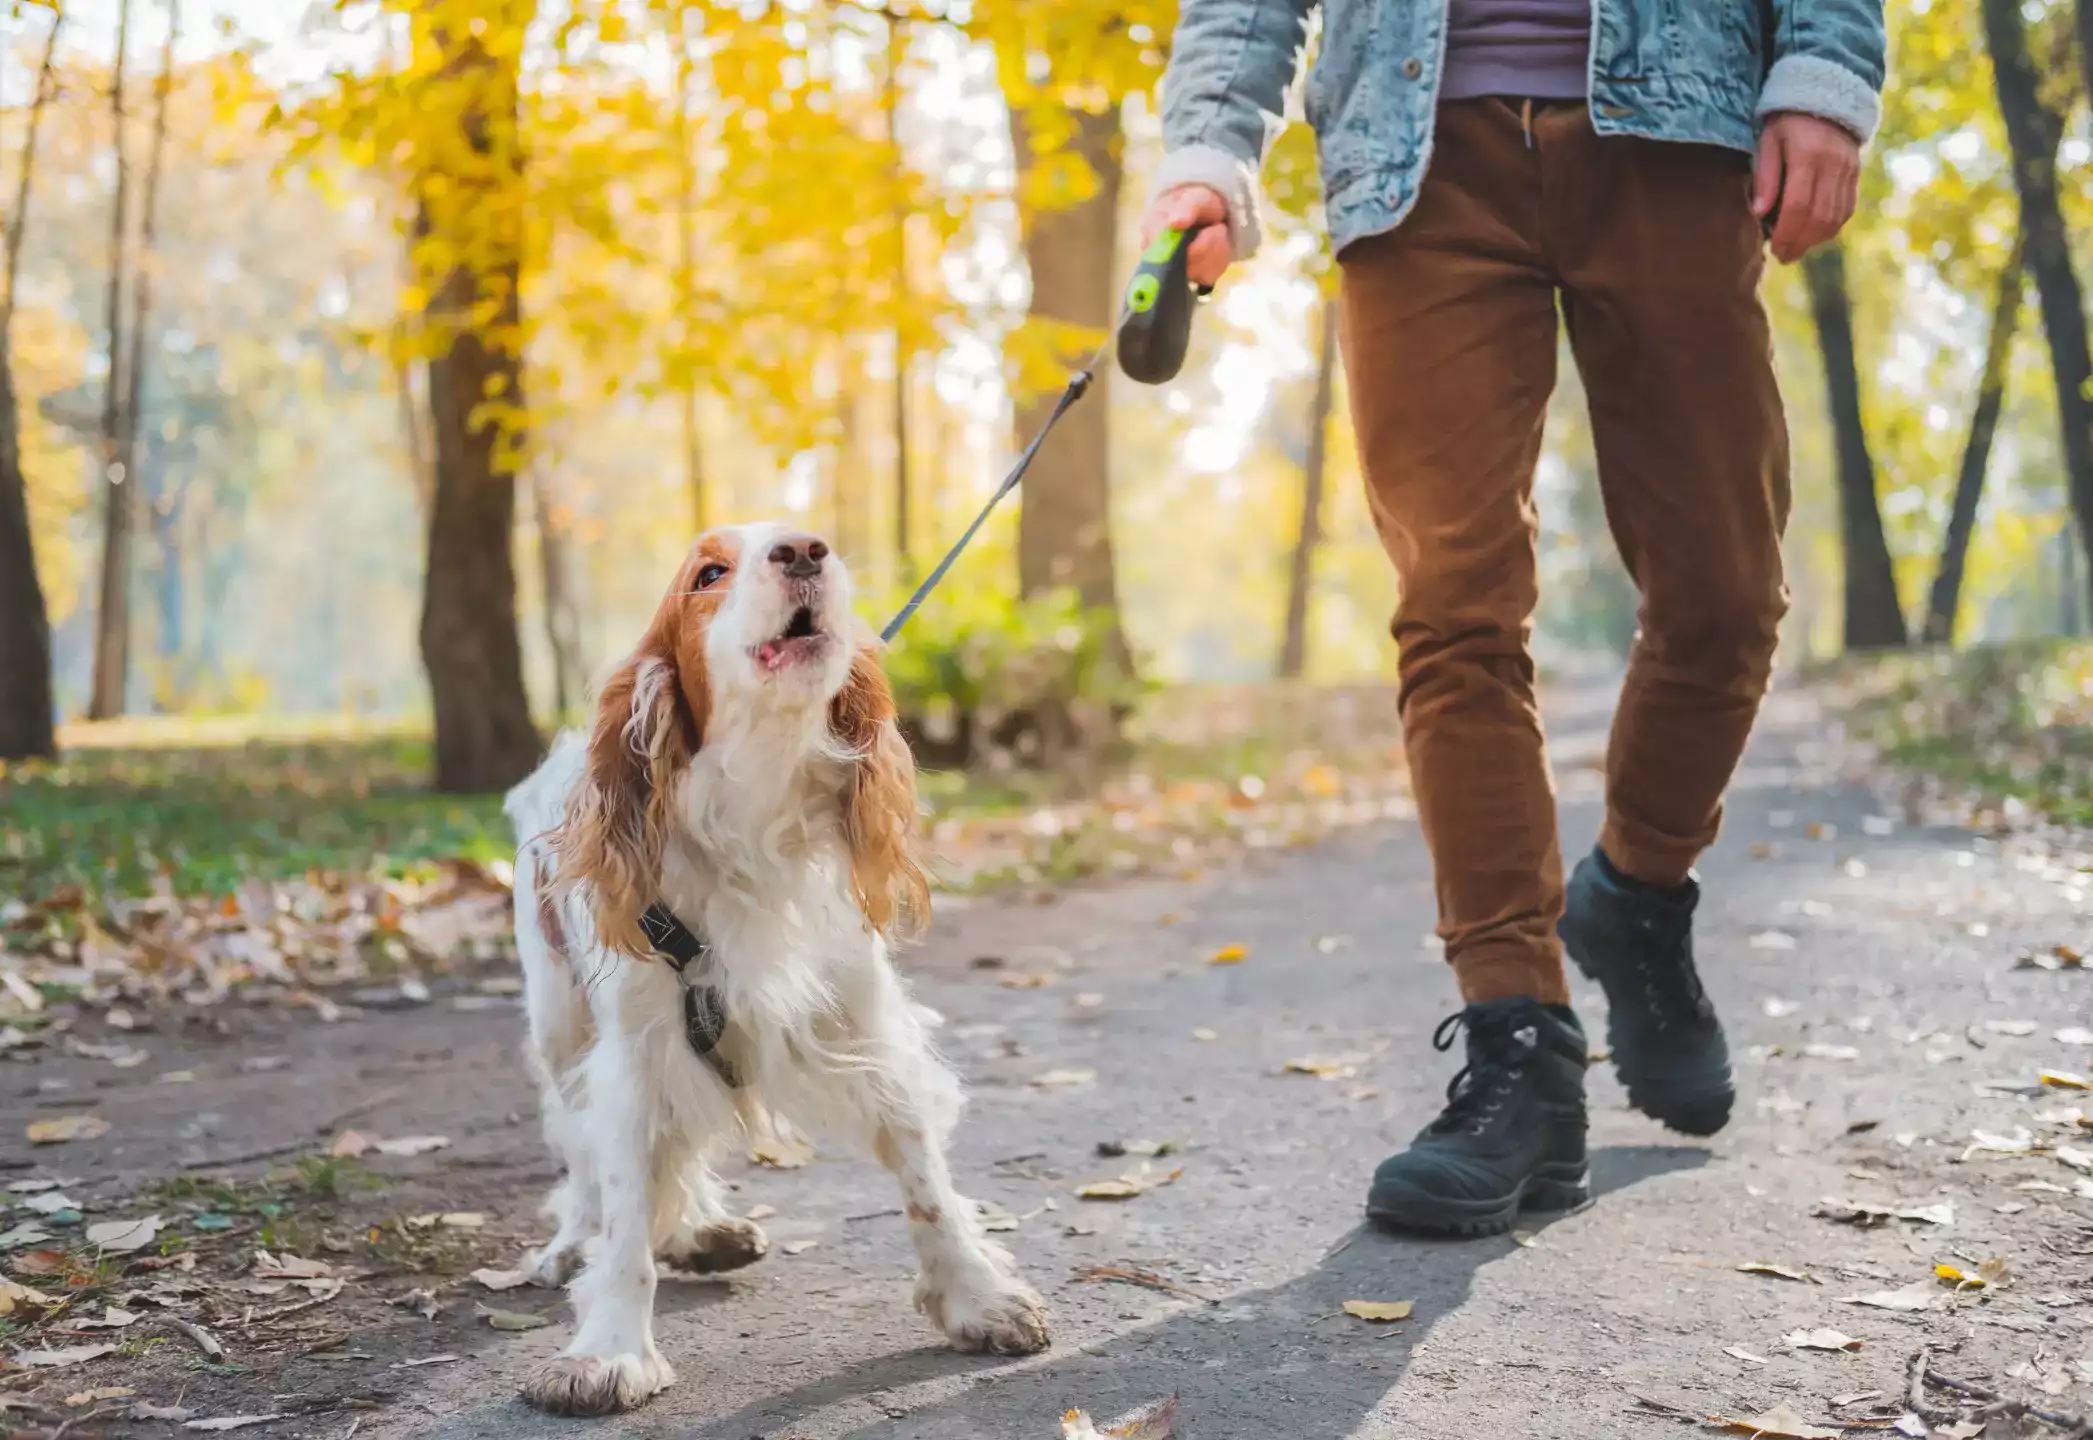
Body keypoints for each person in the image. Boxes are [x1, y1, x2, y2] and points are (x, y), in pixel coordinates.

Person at [1143, 0, 1885, 1235]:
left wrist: (1820, 66)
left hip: (1676, 127)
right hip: (1412, 153)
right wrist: (1208, 148)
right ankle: (1518, 1042)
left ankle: (1636, 895)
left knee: (1724, 593)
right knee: (1453, 608)